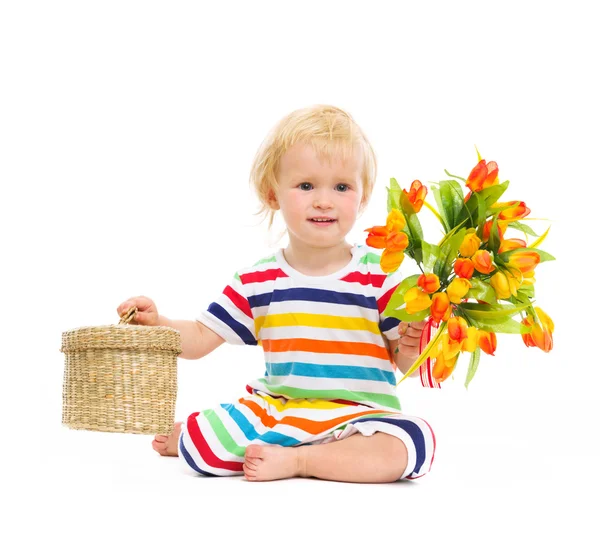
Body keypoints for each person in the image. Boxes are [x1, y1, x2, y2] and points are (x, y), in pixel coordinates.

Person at [117, 104, 435, 483]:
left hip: (359, 414)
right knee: (201, 446)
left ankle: (300, 461)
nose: (323, 200)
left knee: (412, 443)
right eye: (305, 186)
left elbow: (405, 363)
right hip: (278, 409)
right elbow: (201, 338)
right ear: (273, 195)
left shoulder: (380, 275)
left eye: (341, 187)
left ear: (362, 198)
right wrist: (160, 325)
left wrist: (413, 345)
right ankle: (211, 440)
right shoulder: (259, 279)